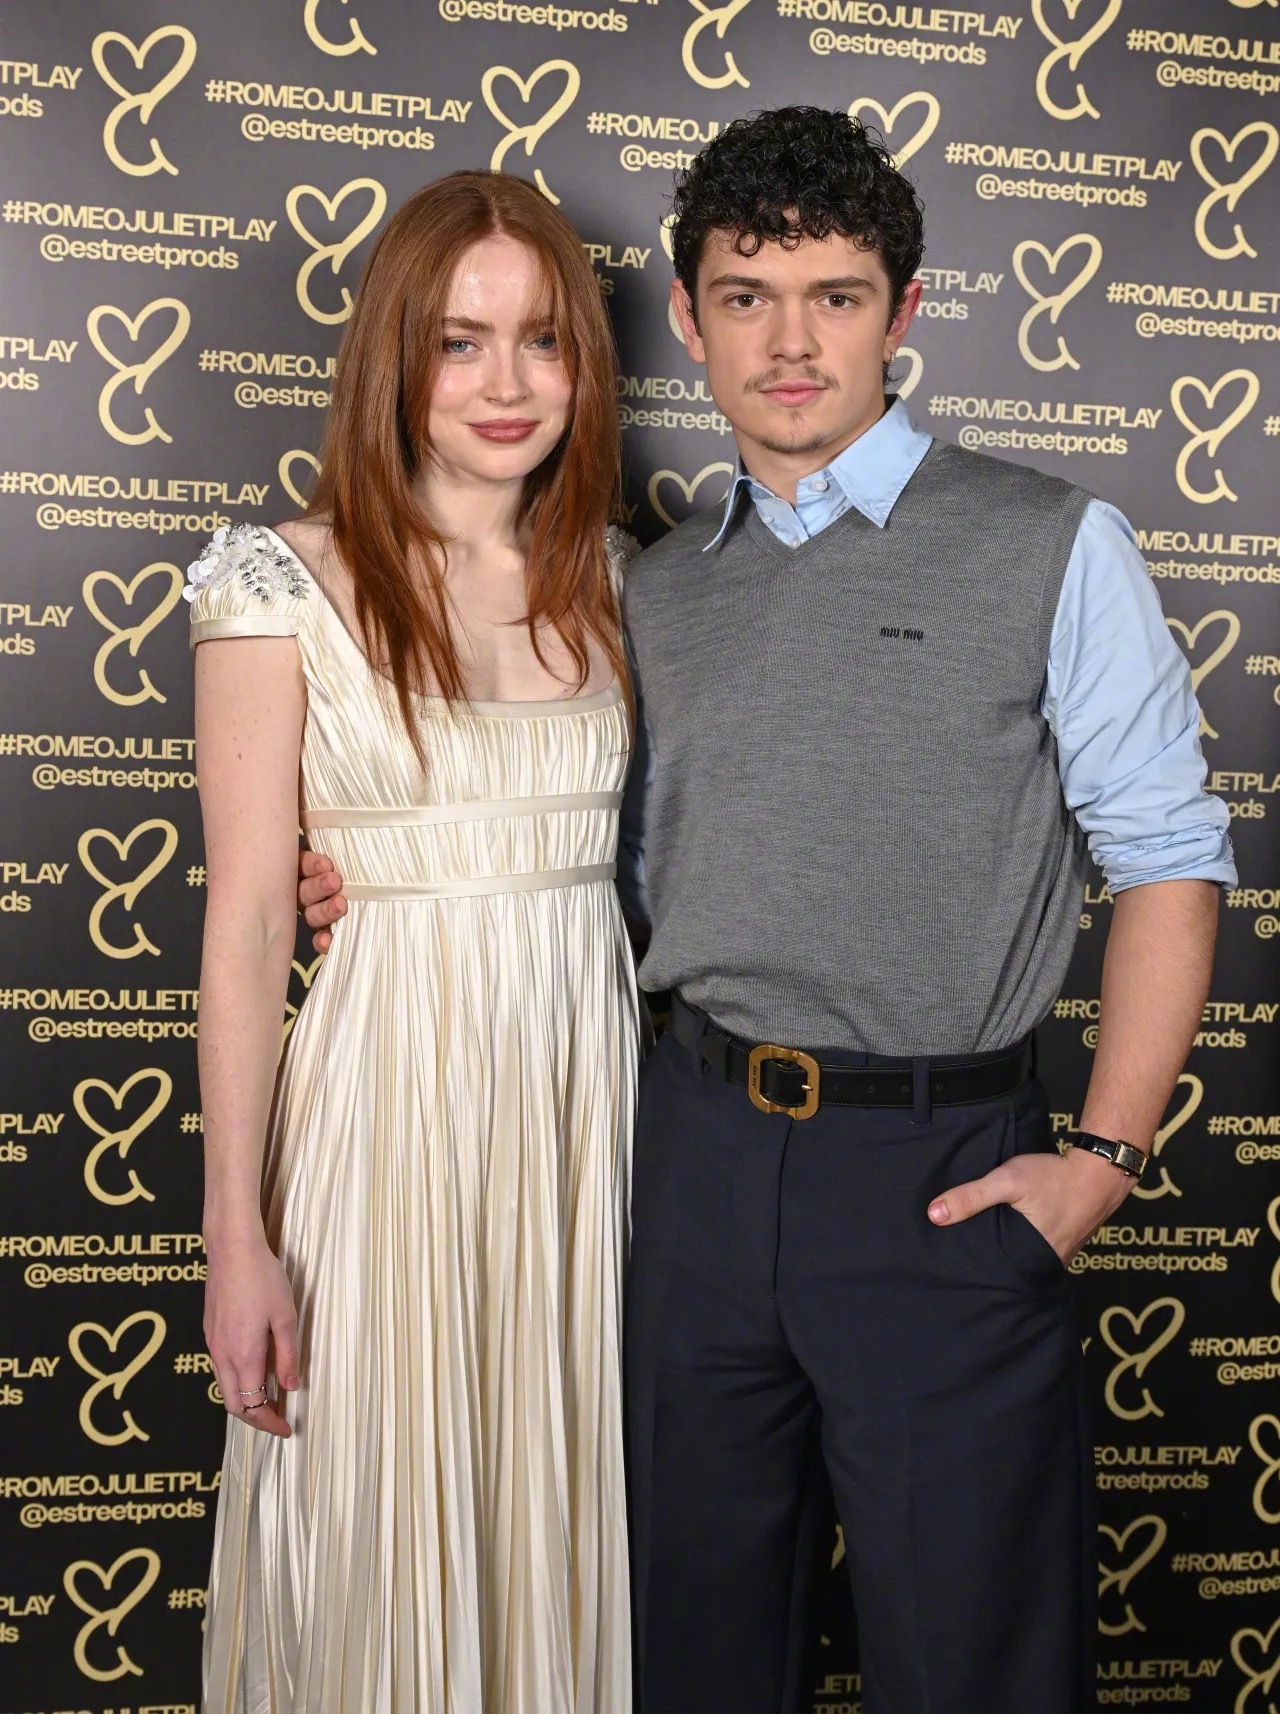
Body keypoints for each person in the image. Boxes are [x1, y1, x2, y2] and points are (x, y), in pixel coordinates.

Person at [300, 110, 1236, 1714]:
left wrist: (1102, 1158)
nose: (791, 343)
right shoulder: (645, 587)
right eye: (747, 297)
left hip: (936, 1173)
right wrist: (370, 878)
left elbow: (1168, 859)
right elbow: (576, 842)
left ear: (904, 312)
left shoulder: (1051, 543)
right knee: (692, 1652)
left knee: (975, 1663)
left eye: (836, 297)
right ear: (687, 316)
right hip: (691, 1164)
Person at [191, 170, 639, 1714]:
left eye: (542, 339)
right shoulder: (279, 580)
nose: (507, 383)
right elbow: (250, 920)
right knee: (379, 1534)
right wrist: (235, 1233)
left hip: (587, 1127)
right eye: (460, 340)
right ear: (396, 354)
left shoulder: (623, 584)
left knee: (563, 1525)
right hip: (386, 1120)